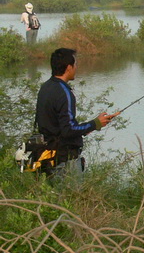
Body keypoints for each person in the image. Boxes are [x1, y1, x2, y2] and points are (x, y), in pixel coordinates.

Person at [35, 48, 119, 180]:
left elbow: (55, 125)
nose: (76, 68)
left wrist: (88, 128)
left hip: (48, 156)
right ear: (69, 67)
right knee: (71, 198)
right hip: (64, 159)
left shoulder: (45, 87)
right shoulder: (65, 93)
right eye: (75, 65)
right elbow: (68, 130)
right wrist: (95, 123)